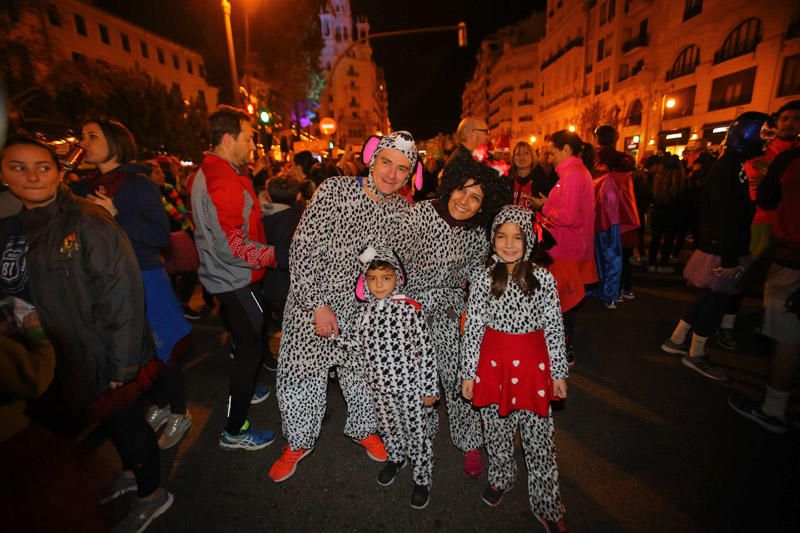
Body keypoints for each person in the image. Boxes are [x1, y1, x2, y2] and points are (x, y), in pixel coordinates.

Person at [0, 136, 172, 531]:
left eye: (42, 167)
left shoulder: (88, 221)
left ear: (59, 173)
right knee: (104, 425)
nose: (31, 176)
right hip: (48, 355)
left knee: (127, 424)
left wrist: (122, 362)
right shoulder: (11, 227)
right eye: (18, 167)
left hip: (98, 351)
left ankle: (151, 493)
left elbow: (122, 294)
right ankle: (131, 474)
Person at [270, 131, 419, 482]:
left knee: (363, 376)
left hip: (362, 312)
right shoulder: (336, 190)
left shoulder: (401, 210)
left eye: (401, 169)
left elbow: (399, 262)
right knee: (302, 376)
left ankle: (363, 428)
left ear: (409, 176)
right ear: (373, 159)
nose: (391, 174)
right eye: (386, 163)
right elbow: (303, 247)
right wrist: (317, 305)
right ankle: (298, 441)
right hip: (313, 304)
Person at [79, 120, 194, 450]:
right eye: (83, 136)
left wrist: (116, 214)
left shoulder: (138, 183)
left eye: (92, 136)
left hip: (144, 275)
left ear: (114, 142)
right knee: (135, 349)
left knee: (164, 345)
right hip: (108, 280)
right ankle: (157, 405)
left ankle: (179, 411)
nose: (83, 142)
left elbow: (159, 235)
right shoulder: (86, 186)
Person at [392, 156, 508, 478]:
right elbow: (394, 263)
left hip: (451, 311)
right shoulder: (419, 215)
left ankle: (468, 439)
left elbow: (476, 273)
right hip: (411, 311)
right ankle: (419, 436)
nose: (465, 201)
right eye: (462, 190)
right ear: (450, 186)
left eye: (476, 198)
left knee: (459, 377)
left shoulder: (477, 233)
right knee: (415, 379)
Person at [460, 206, 567, 532]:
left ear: (528, 240)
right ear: (493, 240)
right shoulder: (481, 278)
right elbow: (474, 326)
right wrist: (468, 373)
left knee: (540, 442)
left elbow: (554, 326)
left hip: (534, 370)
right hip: (493, 368)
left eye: (516, 237)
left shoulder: (543, 278)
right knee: (497, 432)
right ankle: (501, 477)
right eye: (501, 237)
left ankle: (548, 502)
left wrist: (559, 372)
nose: (508, 244)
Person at [661, 112, 775, 381]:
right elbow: (728, 216)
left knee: (709, 298)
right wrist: (729, 258)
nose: (766, 140)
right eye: (763, 133)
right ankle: (696, 353)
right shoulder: (729, 168)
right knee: (716, 301)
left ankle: (678, 339)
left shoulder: (732, 165)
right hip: (722, 249)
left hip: (719, 247)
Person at [191, 106, 277, 450]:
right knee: (250, 350)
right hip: (236, 280)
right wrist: (274, 256)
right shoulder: (223, 179)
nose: (253, 143)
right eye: (249, 136)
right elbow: (233, 246)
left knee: (244, 341)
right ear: (229, 139)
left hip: (222, 279)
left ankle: (248, 386)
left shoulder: (212, 170)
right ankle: (235, 429)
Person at [336, 246, 438, 509]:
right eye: (372, 279)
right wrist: (334, 339)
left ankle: (422, 478)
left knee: (417, 433)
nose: (379, 284)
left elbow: (426, 351)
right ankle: (396, 457)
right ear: (364, 281)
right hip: (379, 387)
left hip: (411, 389)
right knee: (389, 428)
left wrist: (429, 388)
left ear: (397, 278)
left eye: (386, 277)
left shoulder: (410, 309)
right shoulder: (363, 313)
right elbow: (358, 345)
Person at [728, 140, 800, 433]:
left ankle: (773, 409)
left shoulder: (790, 161)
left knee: (787, 336)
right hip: (786, 254)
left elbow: (766, 198)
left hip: (791, 258)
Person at [528, 130, 597, 366]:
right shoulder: (575, 172)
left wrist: (544, 207)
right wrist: (548, 203)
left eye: (553, 152)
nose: (549, 157)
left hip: (566, 249)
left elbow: (567, 216)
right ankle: (561, 346)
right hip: (569, 247)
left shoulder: (573, 175)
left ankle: (563, 349)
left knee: (563, 304)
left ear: (566, 149)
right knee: (563, 302)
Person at [590, 125, 639, 306]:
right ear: (615, 138)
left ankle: (604, 290)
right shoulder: (623, 161)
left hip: (597, 213)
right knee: (618, 254)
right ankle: (617, 291)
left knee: (599, 253)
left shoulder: (591, 159)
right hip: (619, 213)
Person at [261, 176, 304, 371]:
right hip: (284, 285)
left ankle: (269, 358)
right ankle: (293, 365)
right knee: (292, 329)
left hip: (265, 282)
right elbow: (285, 257)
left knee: (268, 325)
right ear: (297, 196)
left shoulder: (262, 215)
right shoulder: (291, 220)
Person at [647, 154, 685, 273]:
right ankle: (663, 262)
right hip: (673, 212)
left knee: (655, 238)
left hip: (658, 212)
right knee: (668, 239)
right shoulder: (679, 179)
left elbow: (651, 196)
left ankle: (652, 263)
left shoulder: (657, 178)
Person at [509, 141, 557, 207]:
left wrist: (541, 206)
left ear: (532, 156)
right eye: (518, 154)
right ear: (513, 158)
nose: (522, 157)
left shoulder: (541, 180)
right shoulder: (507, 180)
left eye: (526, 153)